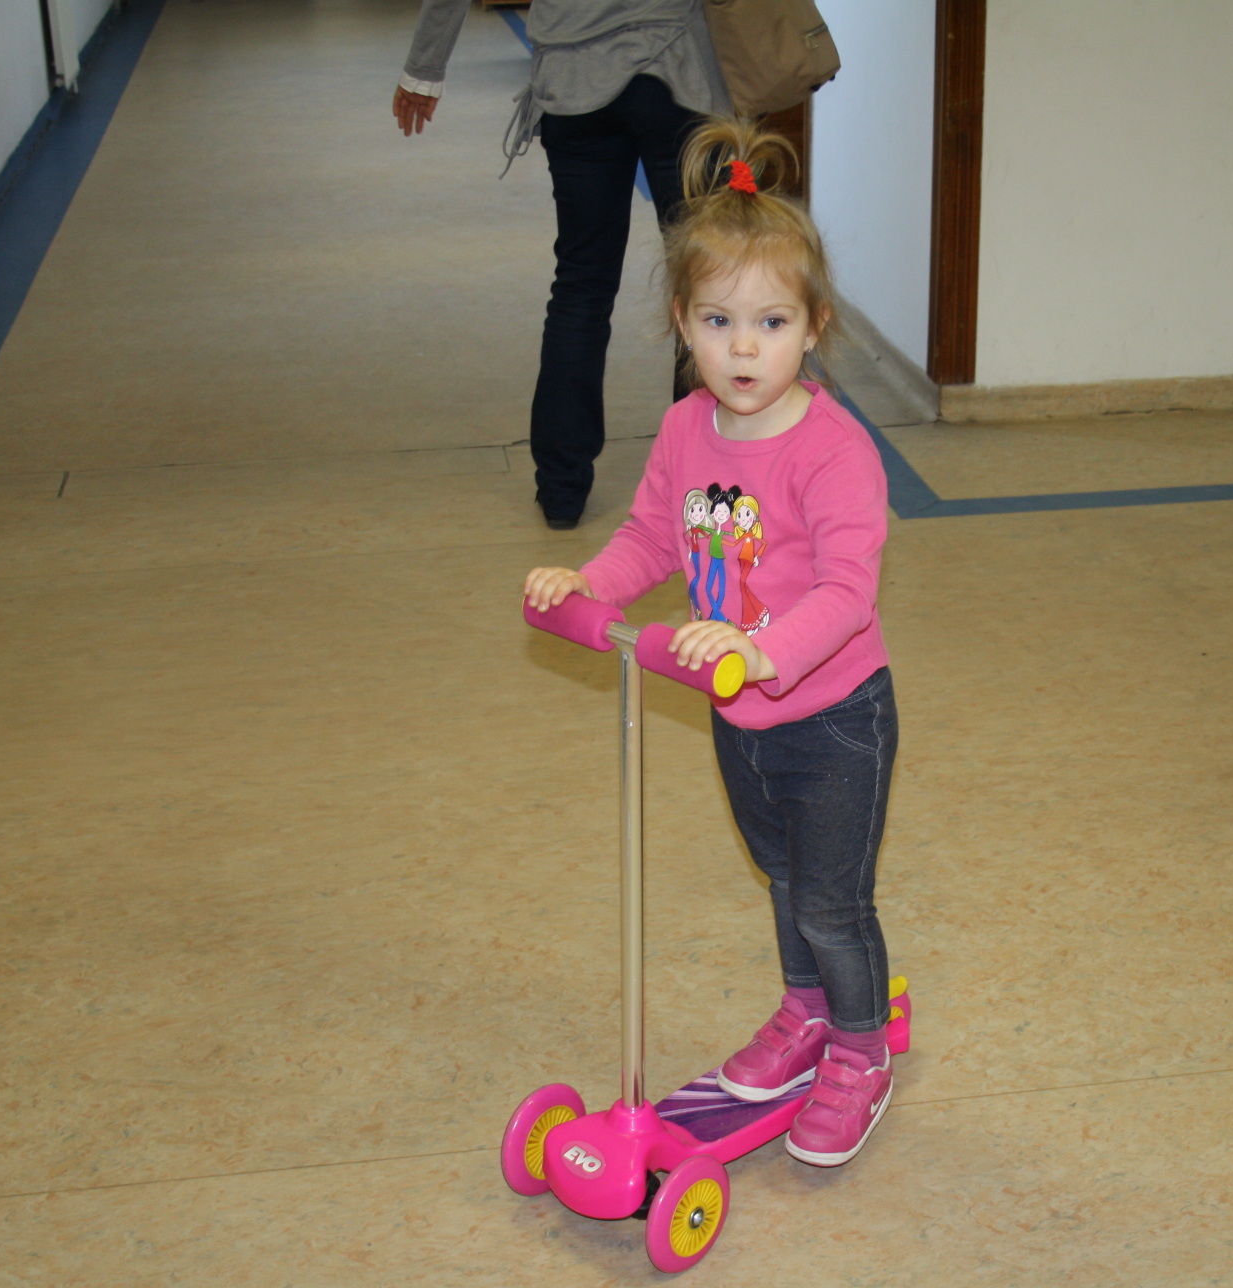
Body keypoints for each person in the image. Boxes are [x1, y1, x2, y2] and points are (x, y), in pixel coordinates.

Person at [522, 119, 898, 1168]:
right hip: (739, 711)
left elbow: (848, 592)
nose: (742, 348)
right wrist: (587, 585)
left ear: (813, 327)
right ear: (682, 324)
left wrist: (769, 650)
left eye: (770, 322)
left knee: (830, 900)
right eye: (719, 321)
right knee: (781, 878)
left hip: (834, 719)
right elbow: (654, 534)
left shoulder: (833, 453)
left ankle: (860, 1048)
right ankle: (805, 1010)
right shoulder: (689, 428)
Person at [393, 0, 731, 529]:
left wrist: (424, 67)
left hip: (574, 81)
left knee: (581, 288)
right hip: (676, 73)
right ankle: (703, 484)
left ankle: (561, 490)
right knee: (705, 291)